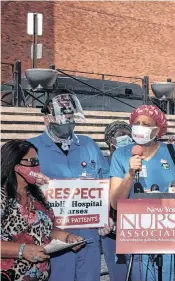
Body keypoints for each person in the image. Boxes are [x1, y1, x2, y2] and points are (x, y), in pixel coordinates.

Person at [28, 89, 112, 281]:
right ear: (46, 118)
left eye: (69, 113)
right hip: (50, 236)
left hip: (88, 234)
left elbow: (106, 183)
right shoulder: (30, 149)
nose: (66, 118)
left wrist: (106, 214)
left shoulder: (89, 145)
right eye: (60, 114)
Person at [109, 105, 175, 281]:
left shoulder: (172, 151)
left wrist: (163, 197)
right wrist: (130, 174)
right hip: (136, 232)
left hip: (168, 230)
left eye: (146, 124)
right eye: (137, 123)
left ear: (157, 129)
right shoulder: (121, 154)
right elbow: (115, 203)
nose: (140, 127)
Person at [1, 140, 84, 281]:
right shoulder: (2, 196)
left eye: (37, 161)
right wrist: (22, 250)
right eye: (31, 161)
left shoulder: (36, 195)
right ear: (15, 166)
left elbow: (46, 229)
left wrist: (68, 238)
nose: (36, 166)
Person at [102, 121, 133, 281]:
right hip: (110, 230)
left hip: (133, 227)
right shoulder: (102, 164)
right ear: (110, 139)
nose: (126, 138)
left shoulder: (135, 164)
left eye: (129, 135)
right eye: (121, 135)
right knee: (118, 274)